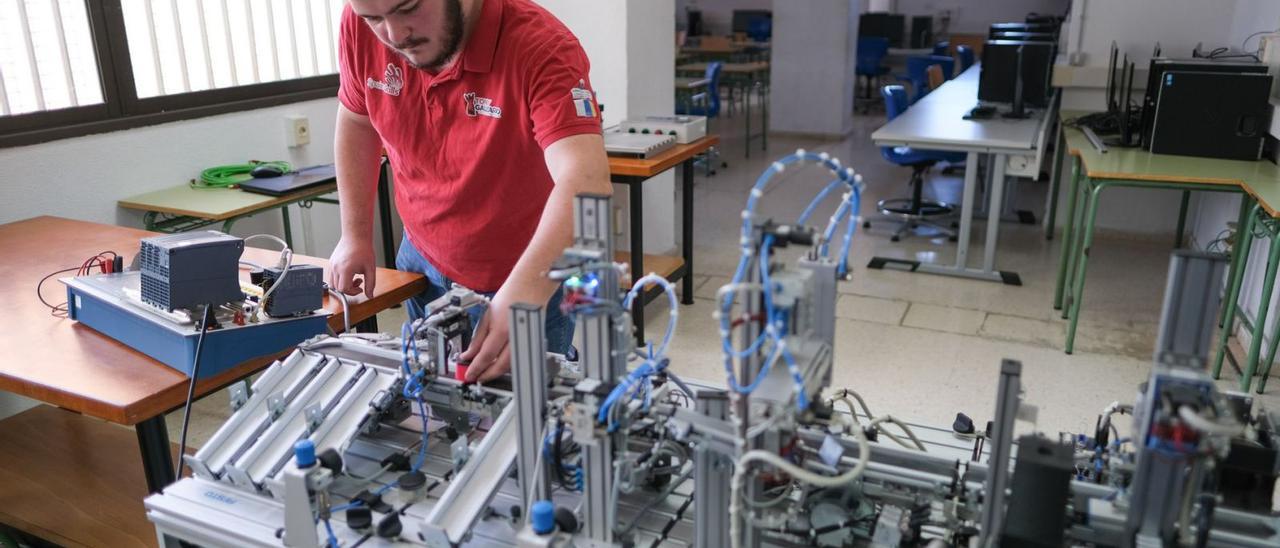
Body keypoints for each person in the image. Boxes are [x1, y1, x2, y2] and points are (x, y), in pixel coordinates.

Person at [329, 0, 611, 383]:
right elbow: (357, 121)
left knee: (524, 419)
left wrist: (524, 294)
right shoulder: (359, 25)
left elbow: (587, 182)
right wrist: (355, 234)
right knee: (436, 398)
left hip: (526, 273)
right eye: (374, 18)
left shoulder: (541, 46)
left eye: (409, 8)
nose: (395, 36)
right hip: (423, 260)